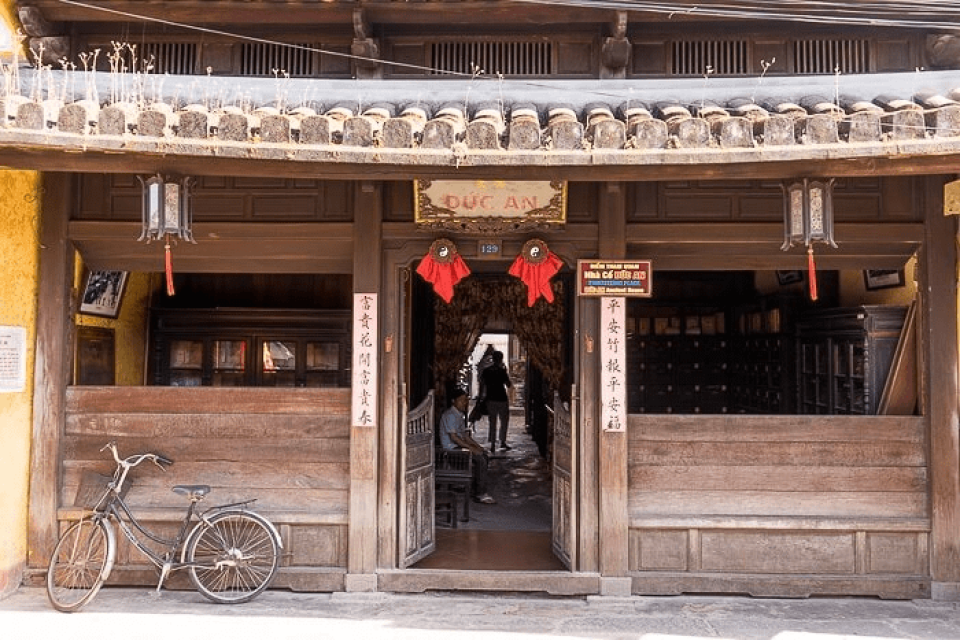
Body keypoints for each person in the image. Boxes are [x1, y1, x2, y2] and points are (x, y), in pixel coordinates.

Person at [438, 388, 496, 504]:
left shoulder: (459, 415)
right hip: (452, 452)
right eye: (462, 400)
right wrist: (472, 449)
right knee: (480, 460)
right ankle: (480, 494)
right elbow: (454, 438)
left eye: (466, 401)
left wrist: (478, 447)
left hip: (458, 449)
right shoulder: (450, 415)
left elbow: (465, 436)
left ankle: (476, 489)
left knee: (483, 455)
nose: (465, 403)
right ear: (453, 401)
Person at [480, 350, 512, 453]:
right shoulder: (502, 371)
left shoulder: (486, 371)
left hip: (490, 399)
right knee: (504, 422)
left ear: (492, 359)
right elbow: (508, 385)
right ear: (501, 359)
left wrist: (481, 398)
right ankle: (502, 442)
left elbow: (482, 385)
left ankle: (493, 444)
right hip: (502, 398)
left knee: (492, 422)